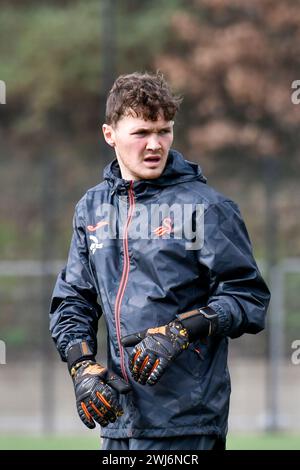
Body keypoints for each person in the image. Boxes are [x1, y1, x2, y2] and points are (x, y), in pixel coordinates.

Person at [49, 71, 270, 451]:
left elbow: (248, 299)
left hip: (187, 426)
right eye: (141, 133)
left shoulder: (206, 207)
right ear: (110, 135)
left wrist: (180, 332)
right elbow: (72, 302)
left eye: (164, 131)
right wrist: (82, 368)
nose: (155, 144)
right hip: (118, 423)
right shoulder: (92, 208)